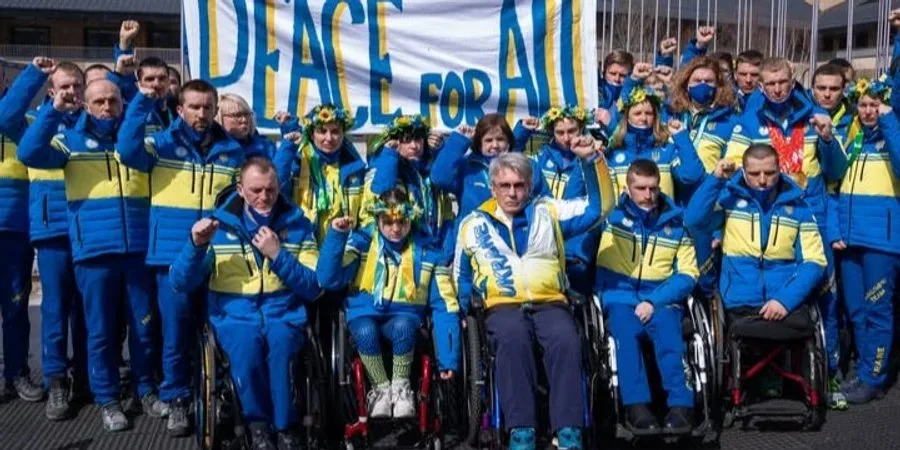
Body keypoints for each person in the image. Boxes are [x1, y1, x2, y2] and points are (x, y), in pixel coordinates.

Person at [17, 80, 160, 432]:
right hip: (94, 253)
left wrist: (142, 103)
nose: (107, 107)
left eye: (113, 101)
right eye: (99, 101)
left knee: (143, 327)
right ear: (85, 104)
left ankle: (145, 390)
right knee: (101, 332)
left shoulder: (139, 139)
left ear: (123, 103)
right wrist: (54, 110)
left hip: (138, 250)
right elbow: (29, 153)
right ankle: (108, 399)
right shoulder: (69, 141)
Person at [454, 147, 612, 450]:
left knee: (566, 340)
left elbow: (599, 207)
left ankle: (568, 431)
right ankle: (521, 430)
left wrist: (592, 162)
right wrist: (463, 311)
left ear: (529, 186)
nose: (512, 193)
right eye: (505, 186)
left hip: (550, 301)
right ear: (493, 188)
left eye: (519, 185)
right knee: (512, 340)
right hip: (501, 306)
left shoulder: (547, 210)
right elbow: (461, 276)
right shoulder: (472, 224)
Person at [116, 79, 246, 435]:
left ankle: (218, 395)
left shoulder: (232, 151)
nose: (201, 113)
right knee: (175, 332)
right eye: (194, 107)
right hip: (171, 255)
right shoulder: (161, 144)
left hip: (216, 257)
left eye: (207, 107)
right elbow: (126, 150)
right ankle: (176, 398)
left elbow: (239, 200)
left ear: (215, 109)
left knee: (218, 328)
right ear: (179, 109)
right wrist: (142, 103)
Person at [169, 157, 321, 450]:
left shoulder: (299, 225)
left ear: (279, 188)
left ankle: (285, 426)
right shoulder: (217, 227)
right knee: (247, 348)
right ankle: (258, 425)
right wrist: (196, 245)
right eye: (256, 190)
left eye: (270, 190)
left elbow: (313, 287)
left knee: (282, 348)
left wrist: (278, 255)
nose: (264, 197)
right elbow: (180, 282)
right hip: (234, 314)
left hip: (283, 312)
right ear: (240, 190)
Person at [0, 57, 92, 418]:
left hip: (84, 230)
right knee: (54, 309)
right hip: (50, 227)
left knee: (83, 311)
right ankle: (55, 380)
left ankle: (81, 376)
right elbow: (6, 118)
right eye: (63, 86)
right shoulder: (32, 122)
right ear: (50, 91)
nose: (71, 92)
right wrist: (35, 74)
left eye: (76, 86)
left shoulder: (94, 123)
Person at [316, 188, 460, 419]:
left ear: (411, 219)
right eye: (388, 222)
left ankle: (401, 389)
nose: (395, 229)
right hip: (364, 314)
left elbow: (445, 305)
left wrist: (448, 358)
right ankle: (380, 388)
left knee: (403, 327)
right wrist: (336, 237)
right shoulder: (361, 245)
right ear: (377, 220)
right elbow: (327, 279)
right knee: (365, 332)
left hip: (405, 318)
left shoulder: (428, 252)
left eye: (401, 222)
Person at [595, 159, 698, 435]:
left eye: (653, 188)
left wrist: (654, 301)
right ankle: (636, 406)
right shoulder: (610, 218)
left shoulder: (677, 223)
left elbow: (688, 273)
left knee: (669, 335)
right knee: (625, 336)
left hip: (661, 297)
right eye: (640, 188)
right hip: (620, 295)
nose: (648, 194)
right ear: (627, 188)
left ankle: (681, 404)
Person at [685, 145, 826, 326]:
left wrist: (785, 300)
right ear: (743, 172)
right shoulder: (729, 201)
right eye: (754, 173)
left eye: (769, 173)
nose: (762, 180)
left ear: (779, 169)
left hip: (786, 302)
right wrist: (716, 179)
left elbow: (815, 261)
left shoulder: (799, 207)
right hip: (739, 301)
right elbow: (693, 221)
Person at [0, 58, 64, 406]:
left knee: (15, 307)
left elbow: (5, 117)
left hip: (14, 227)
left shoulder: (24, 119)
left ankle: (16, 373)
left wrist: (34, 75)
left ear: (5, 78)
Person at [832, 77, 898, 404]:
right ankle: (863, 371)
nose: (869, 111)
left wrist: (890, 120)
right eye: (864, 105)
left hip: (881, 243)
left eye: (875, 105)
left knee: (877, 311)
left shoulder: (893, 134)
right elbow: (834, 182)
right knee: (857, 311)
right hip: (850, 240)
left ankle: (874, 377)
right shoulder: (852, 136)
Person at [515, 105, 616, 298]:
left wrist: (590, 155)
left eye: (572, 131)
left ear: (582, 128)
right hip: (545, 232)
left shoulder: (593, 155)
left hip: (579, 235)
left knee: (576, 282)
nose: (566, 137)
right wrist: (522, 130)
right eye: (560, 132)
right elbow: (508, 158)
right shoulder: (540, 156)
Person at [274, 104, 367, 243]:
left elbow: (365, 216)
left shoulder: (355, 169)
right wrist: (289, 143)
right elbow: (276, 185)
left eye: (335, 132)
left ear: (343, 134)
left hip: (344, 249)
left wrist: (355, 247)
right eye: (322, 131)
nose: (329, 138)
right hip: (304, 247)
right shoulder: (299, 162)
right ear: (312, 134)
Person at [361, 114, 454, 249]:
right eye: (407, 140)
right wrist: (389, 155)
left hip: (437, 251)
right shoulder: (383, 170)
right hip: (408, 252)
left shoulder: (432, 172)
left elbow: (447, 212)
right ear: (394, 141)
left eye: (418, 139)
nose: (414, 146)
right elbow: (380, 193)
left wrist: (440, 153)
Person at [606, 87, 705, 205]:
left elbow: (693, 175)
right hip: (626, 216)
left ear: (655, 117)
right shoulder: (613, 154)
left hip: (663, 216)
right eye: (637, 113)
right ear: (627, 118)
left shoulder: (667, 151)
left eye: (648, 113)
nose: (643, 118)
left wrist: (681, 136)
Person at [216, 93, 275, 158]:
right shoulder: (211, 148)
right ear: (220, 117)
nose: (244, 120)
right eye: (237, 115)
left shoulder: (267, 147)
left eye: (247, 114)